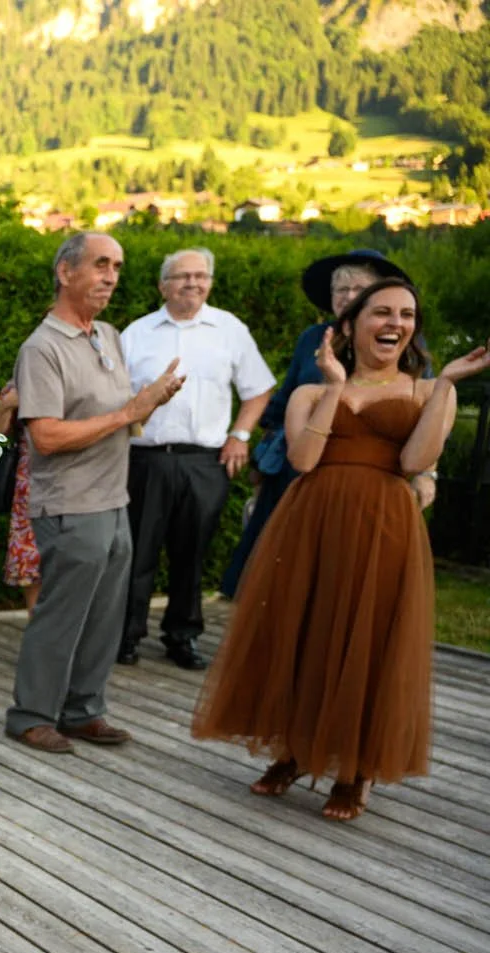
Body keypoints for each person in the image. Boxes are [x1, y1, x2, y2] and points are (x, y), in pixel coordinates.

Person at [194, 278, 455, 821]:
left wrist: (448, 380)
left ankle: (354, 771)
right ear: (349, 327)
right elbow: (305, 459)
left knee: (370, 637)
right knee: (303, 628)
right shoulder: (312, 393)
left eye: (406, 314)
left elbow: (414, 461)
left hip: (385, 523)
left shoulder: (428, 391)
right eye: (381, 312)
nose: (396, 323)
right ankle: (292, 752)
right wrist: (335, 386)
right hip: (311, 519)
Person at [6, 232, 185, 754]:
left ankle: (83, 711)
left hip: (113, 500)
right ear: (66, 273)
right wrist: (131, 411)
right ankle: (31, 715)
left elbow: (116, 417)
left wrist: (148, 402)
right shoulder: (41, 348)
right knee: (59, 618)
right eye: (100, 265)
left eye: (118, 267)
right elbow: (46, 435)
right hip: (67, 505)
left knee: (107, 616)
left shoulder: (106, 334)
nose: (111, 276)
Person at [220, 249, 486, 597]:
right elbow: (283, 404)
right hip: (300, 472)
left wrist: (427, 474)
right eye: (339, 289)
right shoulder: (311, 339)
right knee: (283, 580)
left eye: (356, 288)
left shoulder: (402, 341)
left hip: (373, 484)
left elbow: (427, 414)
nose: (346, 296)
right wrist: (262, 462)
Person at [117, 248, 275, 669]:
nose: (192, 283)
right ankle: (125, 636)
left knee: (192, 554)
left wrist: (240, 435)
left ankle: (182, 637)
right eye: (182, 276)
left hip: (205, 462)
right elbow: (115, 396)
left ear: (210, 282)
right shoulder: (136, 333)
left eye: (200, 275)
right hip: (145, 461)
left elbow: (259, 389)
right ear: (162, 285)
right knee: (136, 553)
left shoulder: (230, 330)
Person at [0, 381, 39, 611]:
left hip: (72, 482)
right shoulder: (19, 384)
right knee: (32, 570)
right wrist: (7, 406)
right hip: (28, 487)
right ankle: (38, 632)